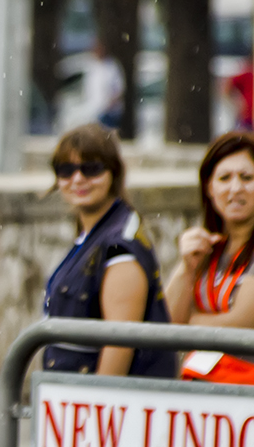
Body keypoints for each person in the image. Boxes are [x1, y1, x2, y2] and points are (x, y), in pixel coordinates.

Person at [164, 131, 254, 408]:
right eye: (224, 178)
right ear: (209, 187)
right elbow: (167, 325)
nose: (235, 188)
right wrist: (185, 267)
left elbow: (239, 326)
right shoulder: (209, 246)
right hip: (202, 394)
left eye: (247, 178)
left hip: (253, 403)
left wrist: (187, 322)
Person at [43, 123, 177, 377]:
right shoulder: (91, 235)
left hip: (101, 406)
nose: (78, 179)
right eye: (66, 170)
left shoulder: (119, 247)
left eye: (91, 169)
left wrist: (96, 408)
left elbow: (119, 342)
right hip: (67, 400)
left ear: (113, 172)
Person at [84, 40, 124, 129]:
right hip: (95, 110)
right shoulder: (93, 66)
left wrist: (110, 102)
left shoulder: (111, 66)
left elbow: (119, 89)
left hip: (110, 111)